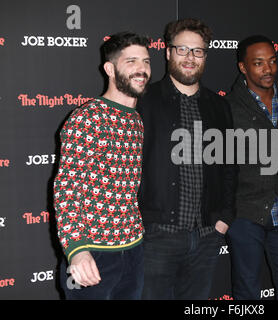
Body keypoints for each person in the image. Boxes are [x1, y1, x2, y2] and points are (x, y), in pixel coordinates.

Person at [136, 18, 237, 300]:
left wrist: (225, 217)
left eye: (198, 51)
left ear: (205, 56)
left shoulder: (219, 106)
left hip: (206, 236)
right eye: (182, 49)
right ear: (168, 52)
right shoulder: (144, 100)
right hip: (157, 236)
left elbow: (230, 166)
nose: (190, 58)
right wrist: (143, 222)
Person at [53, 31, 151, 299]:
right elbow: (67, 187)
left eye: (146, 61)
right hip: (93, 255)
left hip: (133, 249)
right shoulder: (88, 117)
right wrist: (77, 250)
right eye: (131, 61)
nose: (142, 69)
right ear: (110, 68)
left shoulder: (136, 120)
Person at [225, 35, 278, 300]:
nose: (268, 69)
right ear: (243, 67)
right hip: (245, 213)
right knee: (247, 290)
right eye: (258, 63)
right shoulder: (228, 108)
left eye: (272, 61)